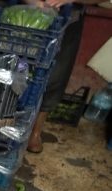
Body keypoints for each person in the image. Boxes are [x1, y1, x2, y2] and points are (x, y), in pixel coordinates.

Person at [26, 0, 106, 153]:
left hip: (68, 19)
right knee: (22, 69)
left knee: (56, 74)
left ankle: (35, 132)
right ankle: (8, 127)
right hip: (28, 12)